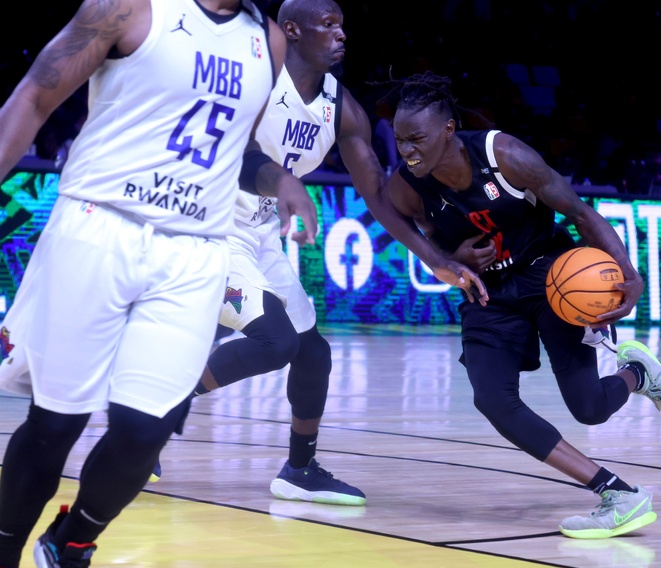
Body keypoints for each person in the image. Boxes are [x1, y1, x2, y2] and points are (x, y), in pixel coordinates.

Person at [151, 0, 487, 506]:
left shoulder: (342, 109)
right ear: (292, 30)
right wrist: (283, 184)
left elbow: (377, 195)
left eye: (342, 25)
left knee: (313, 353)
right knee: (275, 341)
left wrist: (434, 257)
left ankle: (299, 469)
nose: (341, 34)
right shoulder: (256, 79)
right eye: (328, 25)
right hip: (204, 228)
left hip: (258, 232)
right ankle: (156, 406)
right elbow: (233, 154)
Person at [0, 1, 295, 568]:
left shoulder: (269, 41)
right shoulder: (129, 7)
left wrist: (279, 179)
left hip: (195, 250)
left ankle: (71, 541)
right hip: (99, 225)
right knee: (56, 422)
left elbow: (238, 148)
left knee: (146, 429)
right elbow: (35, 95)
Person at [382, 72, 661, 539]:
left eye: (417, 139)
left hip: (550, 278)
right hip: (488, 294)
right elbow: (429, 242)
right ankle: (617, 493)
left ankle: (637, 374)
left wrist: (629, 274)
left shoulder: (505, 156)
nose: (407, 149)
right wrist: (452, 258)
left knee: (590, 408)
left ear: (448, 130)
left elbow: (580, 213)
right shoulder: (407, 187)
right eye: (400, 139)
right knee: (492, 401)